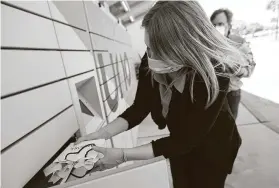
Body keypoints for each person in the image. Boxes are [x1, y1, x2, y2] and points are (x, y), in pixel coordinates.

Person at [76, 1, 246, 187]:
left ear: (184, 48)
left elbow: (187, 140)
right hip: (177, 143)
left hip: (213, 148)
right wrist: (101, 133)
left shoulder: (212, 74)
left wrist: (123, 155)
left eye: (159, 50)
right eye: (149, 47)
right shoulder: (151, 59)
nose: (150, 56)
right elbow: (139, 109)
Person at [210, 8, 256, 119]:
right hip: (211, 94)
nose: (217, 28)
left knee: (229, 131)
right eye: (213, 25)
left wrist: (237, 69)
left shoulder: (239, 42)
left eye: (220, 24)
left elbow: (250, 67)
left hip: (230, 94)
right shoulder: (207, 43)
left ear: (229, 25)